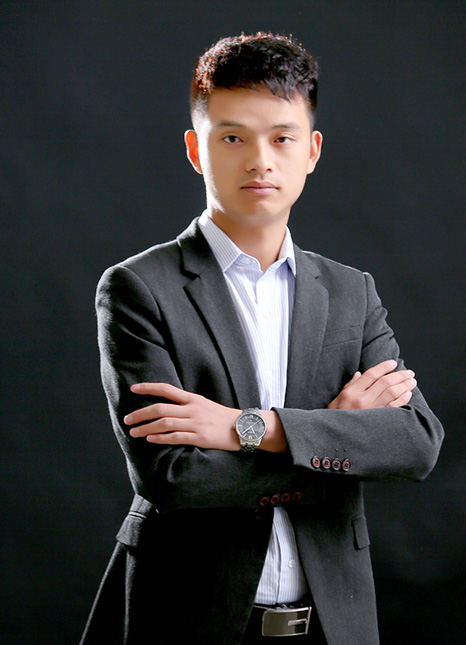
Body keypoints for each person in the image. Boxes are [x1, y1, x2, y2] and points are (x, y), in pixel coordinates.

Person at [80, 32, 444, 644]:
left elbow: (415, 443)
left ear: (312, 150)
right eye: (233, 138)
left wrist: (247, 429)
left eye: (282, 138)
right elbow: (174, 478)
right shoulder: (138, 289)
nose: (260, 160)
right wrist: (336, 438)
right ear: (196, 150)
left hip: (334, 625)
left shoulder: (351, 293)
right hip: (191, 620)